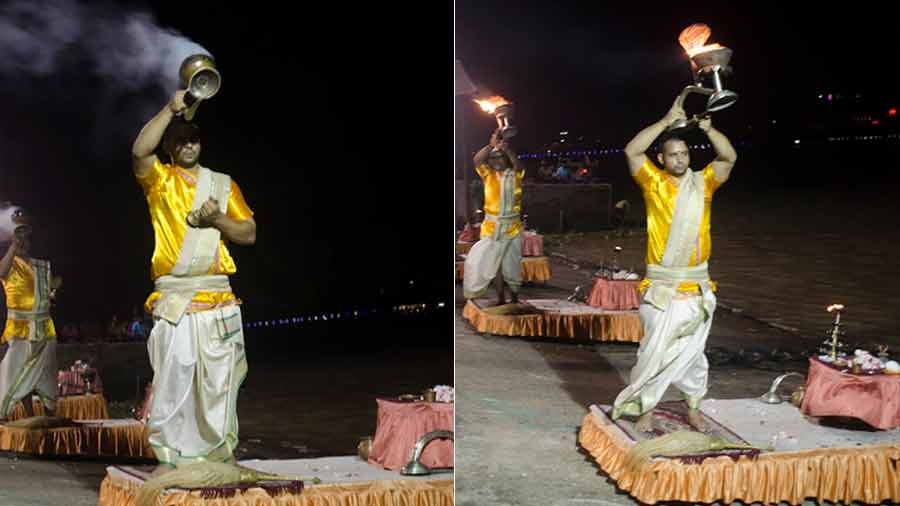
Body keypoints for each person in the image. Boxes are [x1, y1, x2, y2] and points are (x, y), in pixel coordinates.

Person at [131, 89, 257, 470]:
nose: (189, 144)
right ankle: (173, 461)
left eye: (194, 138)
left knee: (217, 386)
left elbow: (248, 232)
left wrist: (215, 219)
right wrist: (172, 108)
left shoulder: (222, 185)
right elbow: (139, 151)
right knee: (174, 382)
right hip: (177, 302)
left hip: (218, 300)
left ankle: (217, 456)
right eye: (180, 139)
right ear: (170, 147)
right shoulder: (161, 181)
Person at [610, 94, 737, 433]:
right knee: (653, 352)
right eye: (673, 155)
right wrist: (666, 122)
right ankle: (645, 409)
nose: (680, 159)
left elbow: (728, 156)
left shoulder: (703, 182)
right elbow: (631, 151)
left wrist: (710, 131)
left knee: (694, 357)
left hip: (697, 287)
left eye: (684, 154)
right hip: (662, 288)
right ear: (662, 158)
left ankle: (693, 406)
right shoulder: (653, 184)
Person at [0, 224, 60, 419]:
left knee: (46, 376)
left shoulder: (41, 266)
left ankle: (49, 418)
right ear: (12, 241)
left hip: (44, 329)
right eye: (19, 238)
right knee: (16, 374)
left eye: (26, 238)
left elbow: (46, 292)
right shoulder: (9, 264)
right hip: (18, 330)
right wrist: (13, 248)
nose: (23, 242)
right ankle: (27, 416)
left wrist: (51, 294)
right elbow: (1, 273)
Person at [463, 129, 525, 305]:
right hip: (492, 227)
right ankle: (500, 297)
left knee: (512, 264)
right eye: (493, 158)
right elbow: (477, 160)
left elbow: (519, 166)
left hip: (512, 227)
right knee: (495, 264)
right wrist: (491, 145)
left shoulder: (515, 175)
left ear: (505, 159)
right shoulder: (487, 175)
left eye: (499, 157)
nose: (496, 161)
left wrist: (506, 149)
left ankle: (514, 297)